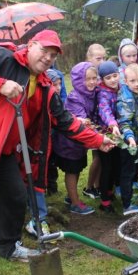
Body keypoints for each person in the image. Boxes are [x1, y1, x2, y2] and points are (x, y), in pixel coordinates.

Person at [0, 30, 114, 275]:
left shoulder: (43, 87)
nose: (48, 58)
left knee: (15, 197)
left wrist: (98, 140)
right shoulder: (2, 58)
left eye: (53, 56)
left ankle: (9, 246)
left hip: (2, 151)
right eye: (44, 51)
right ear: (31, 45)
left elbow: (64, 121)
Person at [53, 62, 99, 215]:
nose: (92, 82)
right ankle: (75, 203)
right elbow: (81, 120)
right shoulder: (75, 97)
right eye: (88, 79)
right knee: (72, 170)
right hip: (69, 142)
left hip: (79, 142)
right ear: (79, 80)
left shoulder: (91, 94)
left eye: (94, 78)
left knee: (78, 168)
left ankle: (70, 196)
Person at [117, 63, 138, 215]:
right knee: (127, 171)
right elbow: (124, 122)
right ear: (126, 81)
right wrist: (129, 138)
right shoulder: (125, 99)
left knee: (136, 167)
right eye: (133, 81)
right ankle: (127, 204)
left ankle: (132, 190)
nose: (137, 84)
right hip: (129, 142)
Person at [95, 61, 122, 212]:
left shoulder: (120, 88)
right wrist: (112, 123)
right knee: (107, 167)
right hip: (105, 135)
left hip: (118, 134)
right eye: (108, 78)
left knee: (116, 165)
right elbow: (104, 111)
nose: (113, 80)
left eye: (114, 76)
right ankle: (104, 201)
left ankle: (110, 192)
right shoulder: (103, 93)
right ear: (103, 80)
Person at [83, 43, 108, 200]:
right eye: (99, 58)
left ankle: (96, 186)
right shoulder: (85, 75)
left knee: (100, 156)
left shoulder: (101, 75)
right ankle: (89, 186)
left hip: (100, 122)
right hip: (89, 122)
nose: (102, 61)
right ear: (89, 58)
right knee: (97, 157)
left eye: (104, 57)